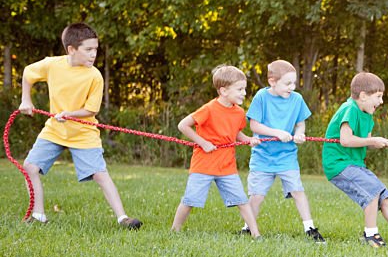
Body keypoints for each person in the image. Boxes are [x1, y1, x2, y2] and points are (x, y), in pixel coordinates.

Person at [18, 23, 142, 228]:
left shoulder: (94, 76)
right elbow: (27, 73)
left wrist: (70, 114)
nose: (94, 54)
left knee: (100, 174)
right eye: (88, 49)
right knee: (30, 167)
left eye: (96, 49)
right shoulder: (52, 65)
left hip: (84, 132)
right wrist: (26, 100)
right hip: (54, 130)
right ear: (71, 50)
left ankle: (123, 218)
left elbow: (91, 110)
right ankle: (38, 215)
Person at [322, 71, 388, 248]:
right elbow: (346, 140)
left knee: (383, 196)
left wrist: (386, 143)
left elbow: (366, 142)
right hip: (339, 164)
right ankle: (370, 234)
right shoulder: (349, 109)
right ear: (363, 96)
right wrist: (373, 140)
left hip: (354, 164)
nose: (381, 101)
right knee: (372, 191)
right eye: (379, 96)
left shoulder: (367, 114)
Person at [171, 65, 261, 237]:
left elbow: (236, 132)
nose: (244, 93)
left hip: (227, 166)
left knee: (242, 201)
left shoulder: (239, 112)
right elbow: (183, 125)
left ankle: (256, 234)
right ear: (224, 91)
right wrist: (203, 142)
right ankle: (174, 231)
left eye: (245, 89)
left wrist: (248, 140)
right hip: (203, 165)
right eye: (240, 89)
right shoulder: (209, 109)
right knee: (190, 200)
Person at [240, 60, 324, 243]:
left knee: (297, 190)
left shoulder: (297, 99)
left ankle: (310, 228)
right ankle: (248, 227)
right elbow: (254, 124)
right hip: (263, 156)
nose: (292, 87)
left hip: (287, 156)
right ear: (272, 82)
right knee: (257, 195)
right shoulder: (261, 97)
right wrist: (276, 133)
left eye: (294, 83)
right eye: (287, 83)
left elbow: (300, 124)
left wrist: (300, 134)